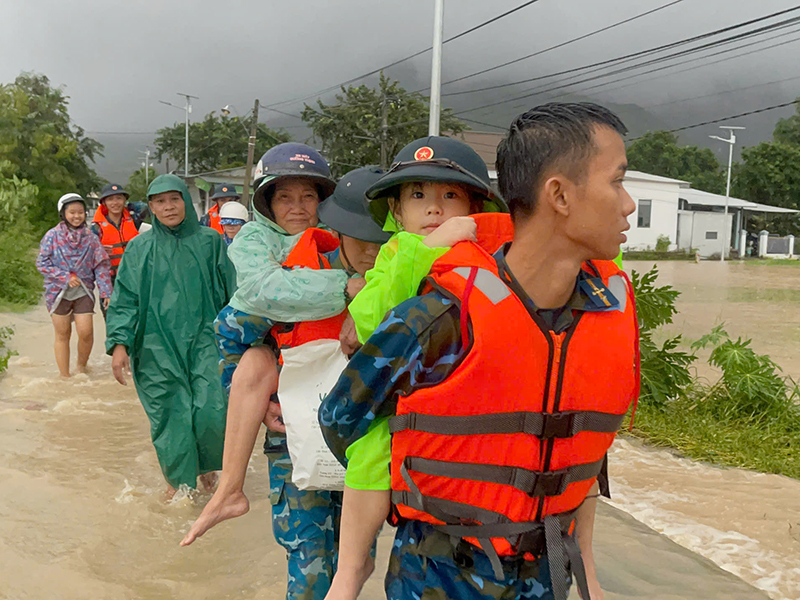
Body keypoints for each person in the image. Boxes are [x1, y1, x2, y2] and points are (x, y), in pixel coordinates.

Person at [320, 102, 640, 600]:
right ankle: (350, 569)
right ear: (558, 195)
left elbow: (583, 448)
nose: (629, 204)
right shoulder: (441, 313)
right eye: (616, 181)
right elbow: (341, 419)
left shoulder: (603, 308)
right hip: (441, 576)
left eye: (450, 196)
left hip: (549, 572)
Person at [183, 166, 389, 600]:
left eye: (307, 197)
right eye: (359, 237)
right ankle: (229, 489)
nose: (371, 250)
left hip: (361, 444)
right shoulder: (291, 276)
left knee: (357, 563)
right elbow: (231, 335)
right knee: (310, 566)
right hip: (295, 440)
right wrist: (260, 407)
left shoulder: (395, 283)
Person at [322, 136, 509, 599]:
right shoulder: (396, 253)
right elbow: (371, 317)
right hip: (408, 393)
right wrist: (426, 250)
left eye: (450, 195)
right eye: (418, 195)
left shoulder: (497, 254)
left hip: (470, 396)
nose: (434, 208)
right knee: (370, 450)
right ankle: (351, 567)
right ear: (396, 212)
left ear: (475, 208)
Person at [105, 174, 237, 498]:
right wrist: (120, 344)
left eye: (174, 199)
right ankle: (178, 487)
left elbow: (231, 291)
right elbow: (125, 298)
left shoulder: (210, 242)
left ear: (185, 201)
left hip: (206, 342)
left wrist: (243, 339)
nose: (168, 207)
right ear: (151, 207)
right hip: (154, 346)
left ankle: (206, 469)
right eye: (160, 202)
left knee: (211, 410)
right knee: (170, 415)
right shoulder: (139, 249)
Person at [36, 193, 113, 378]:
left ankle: (81, 367)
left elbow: (101, 265)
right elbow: (42, 263)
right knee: (63, 333)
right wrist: (64, 277)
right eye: (72, 212)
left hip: (83, 290)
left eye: (80, 212)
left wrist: (106, 291)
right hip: (57, 291)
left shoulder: (91, 238)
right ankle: (64, 377)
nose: (77, 216)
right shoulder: (52, 236)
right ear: (63, 213)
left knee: (86, 332)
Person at [91, 183, 139, 283]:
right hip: (110, 279)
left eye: (119, 198)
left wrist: (130, 206)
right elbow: (88, 255)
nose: (115, 203)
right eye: (110, 199)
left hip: (134, 275)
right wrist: (98, 251)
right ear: (104, 203)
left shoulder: (135, 220)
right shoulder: (96, 228)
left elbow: (146, 208)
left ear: (124, 200)